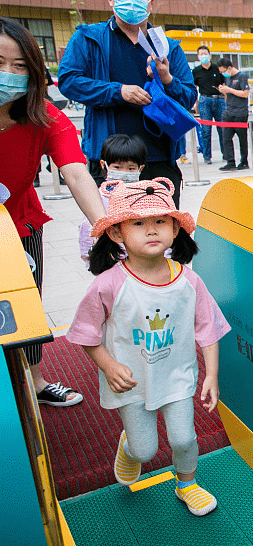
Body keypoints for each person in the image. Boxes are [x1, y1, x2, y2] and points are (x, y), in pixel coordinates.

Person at [66, 179, 230, 516]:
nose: (151, 230)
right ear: (117, 234)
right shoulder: (109, 284)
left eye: (160, 222)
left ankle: (187, 484)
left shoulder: (189, 279)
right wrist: (109, 366)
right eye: (138, 223)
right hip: (132, 381)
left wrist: (211, 374)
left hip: (178, 375)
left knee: (184, 438)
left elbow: (208, 327)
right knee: (145, 450)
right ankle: (130, 446)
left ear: (174, 229)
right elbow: (85, 333)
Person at [0, 17, 105, 406]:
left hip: (21, 226)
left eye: (19, 66)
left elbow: (77, 174)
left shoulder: (44, 116)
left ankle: (36, 382)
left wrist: (104, 227)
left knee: (25, 306)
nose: (7, 74)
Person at [58, 0, 198, 208]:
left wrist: (167, 79)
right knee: (114, 234)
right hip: (111, 162)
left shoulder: (168, 46)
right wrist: (118, 91)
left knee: (161, 234)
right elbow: (69, 81)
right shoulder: (89, 38)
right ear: (111, 1)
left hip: (159, 160)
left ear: (150, 3)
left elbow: (188, 96)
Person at [78, 134, 147, 266]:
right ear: (104, 165)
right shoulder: (98, 196)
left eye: (131, 168)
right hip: (110, 259)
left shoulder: (145, 195)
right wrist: (90, 256)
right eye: (117, 167)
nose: (124, 172)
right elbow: (88, 226)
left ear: (140, 169)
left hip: (141, 258)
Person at [192, 45, 225, 165]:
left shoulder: (217, 69)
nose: (203, 56)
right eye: (201, 54)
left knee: (223, 129)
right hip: (204, 101)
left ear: (210, 55)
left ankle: (226, 155)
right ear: (198, 56)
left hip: (219, 100)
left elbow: (224, 85)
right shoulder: (196, 71)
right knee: (205, 130)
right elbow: (194, 88)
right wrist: (195, 104)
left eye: (205, 54)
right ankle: (207, 156)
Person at [216, 57, 250, 171]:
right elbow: (229, 94)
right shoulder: (228, 79)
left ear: (229, 68)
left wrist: (229, 90)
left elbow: (245, 93)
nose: (223, 74)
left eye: (223, 71)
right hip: (229, 111)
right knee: (226, 138)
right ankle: (230, 161)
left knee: (242, 139)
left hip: (240, 113)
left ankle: (244, 161)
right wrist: (224, 91)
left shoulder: (241, 77)